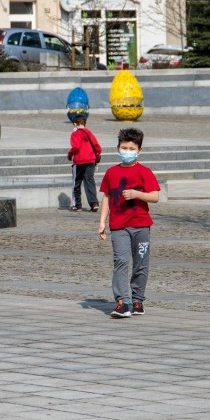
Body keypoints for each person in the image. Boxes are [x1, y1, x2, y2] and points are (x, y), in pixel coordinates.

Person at [98, 128, 160, 318]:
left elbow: (155, 196)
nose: (127, 151)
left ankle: (137, 299)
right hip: (119, 227)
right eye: (123, 147)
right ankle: (122, 302)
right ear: (118, 148)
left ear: (139, 150)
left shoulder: (144, 172)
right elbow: (107, 198)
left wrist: (136, 194)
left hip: (141, 226)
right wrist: (102, 222)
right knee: (121, 262)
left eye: (131, 148)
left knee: (141, 264)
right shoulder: (111, 172)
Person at [67, 114, 102, 212]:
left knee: (77, 182)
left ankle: (78, 205)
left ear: (75, 124)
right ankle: (94, 203)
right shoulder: (90, 133)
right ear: (85, 123)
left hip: (79, 161)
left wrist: (70, 154)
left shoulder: (75, 134)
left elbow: (76, 147)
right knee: (90, 181)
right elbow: (98, 147)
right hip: (91, 160)